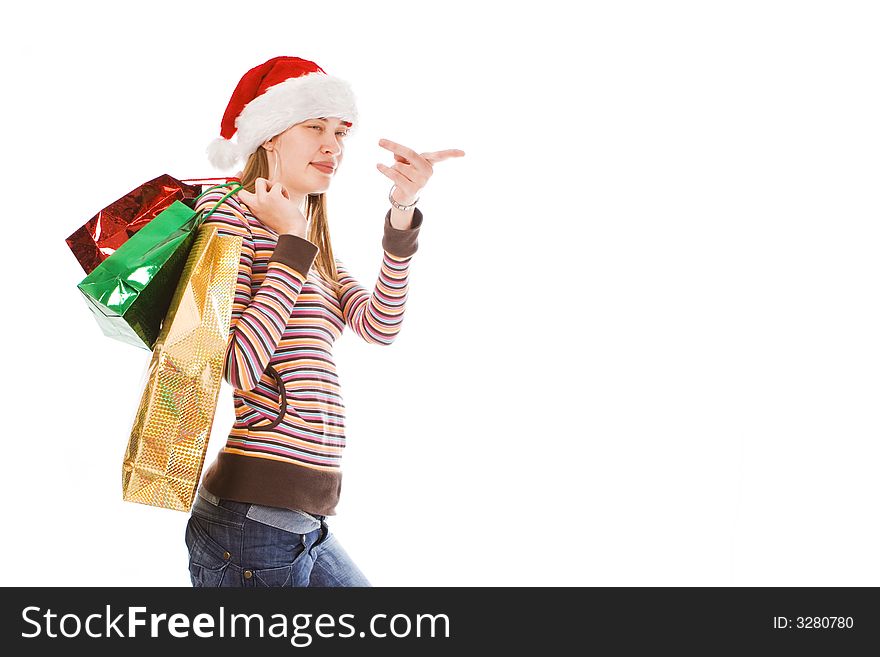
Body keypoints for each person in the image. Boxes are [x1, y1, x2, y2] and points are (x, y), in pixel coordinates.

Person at [183, 55, 464, 587]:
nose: (333, 146)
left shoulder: (305, 234)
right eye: (315, 127)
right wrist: (290, 245)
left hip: (302, 520)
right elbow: (238, 366)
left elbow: (379, 324)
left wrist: (402, 209)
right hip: (251, 523)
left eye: (341, 131)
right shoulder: (232, 221)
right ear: (269, 136)